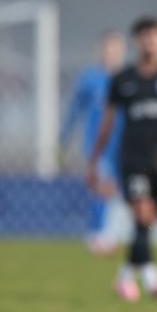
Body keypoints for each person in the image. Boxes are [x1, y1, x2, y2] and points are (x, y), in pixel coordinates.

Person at [87, 16, 157, 302]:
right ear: (136, 41)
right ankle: (153, 279)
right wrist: (93, 161)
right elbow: (106, 123)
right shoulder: (122, 80)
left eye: (155, 36)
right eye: (145, 36)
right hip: (130, 159)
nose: (150, 41)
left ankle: (125, 277)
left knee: (148, 220)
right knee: (142, 212)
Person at [60, 31, 125, 255]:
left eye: (115, 50)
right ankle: (97, 234)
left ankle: (106, 232)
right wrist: (63, 138)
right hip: (96, 144)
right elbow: (74, 110)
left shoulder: (127, 78)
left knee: (116, 188)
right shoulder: (89, 78)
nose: (110, 55)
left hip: (123, 143)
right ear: (100, 51)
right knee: (101, 186)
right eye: (107, 50)